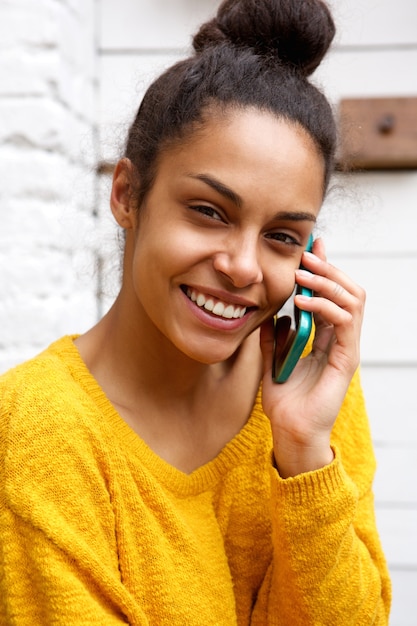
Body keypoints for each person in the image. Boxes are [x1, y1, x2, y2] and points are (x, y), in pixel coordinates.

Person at [0, 0, 391, 623]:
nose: (243, 266)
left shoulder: (311, 388)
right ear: (127, 194)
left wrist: (302, 451)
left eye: (283, 236)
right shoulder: (36, 435)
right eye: (209, 212)